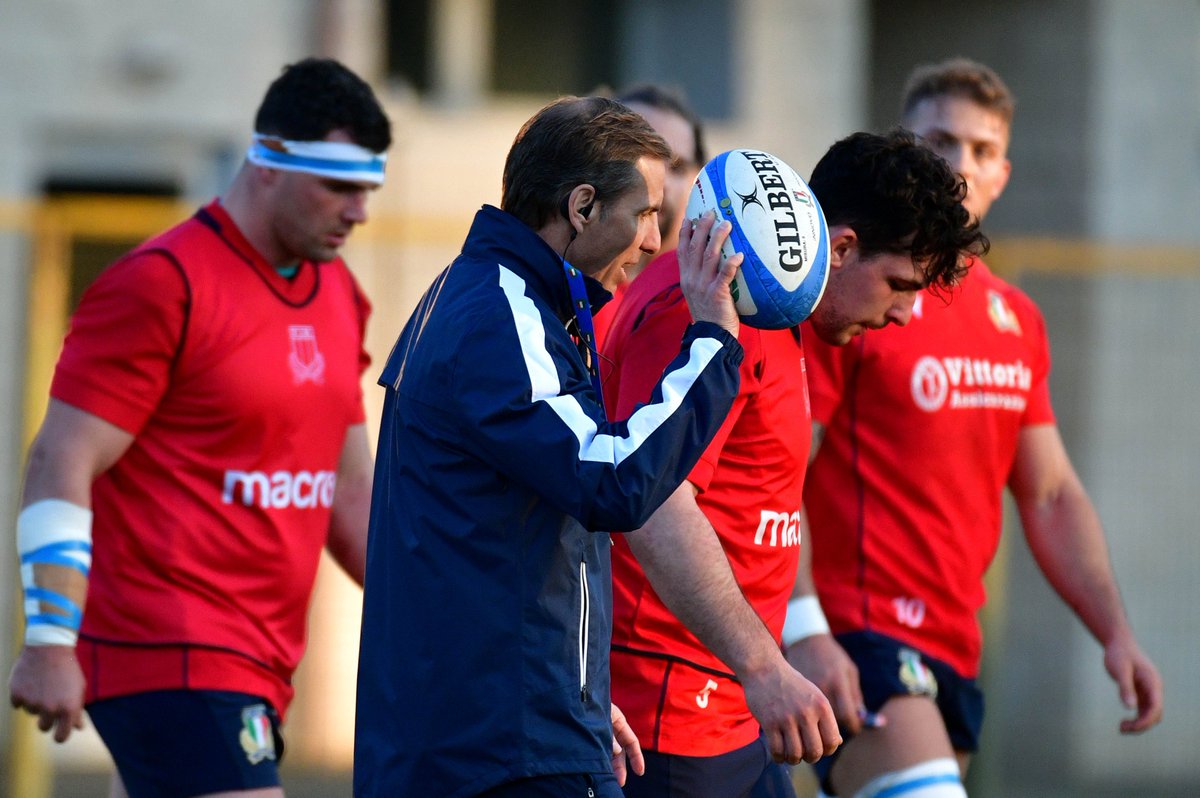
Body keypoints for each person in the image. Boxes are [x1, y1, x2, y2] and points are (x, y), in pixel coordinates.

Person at [8, 57, 391, 798]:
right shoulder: (162, 282)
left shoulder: (340, 292)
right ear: (269, 163)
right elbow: (60, 457)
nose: (359, 211)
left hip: (258, 660)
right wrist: (50, 640)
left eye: (367, 190)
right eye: (338, 186)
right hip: (164, 648)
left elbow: (350, 490)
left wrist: (451, 622)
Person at [785, 58, 1165, 798]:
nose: (960, 164)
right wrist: (804, 628)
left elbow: (1051, 494)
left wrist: (1115, 632)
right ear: (908, 152)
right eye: (940, 141)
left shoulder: (1014, 320)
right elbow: (784, 472)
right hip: (860, 633)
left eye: (982, 150)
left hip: (956, 647)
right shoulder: (850, 298)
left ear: (1004, 174)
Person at [353, 95, 746, 798]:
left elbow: (511, 538)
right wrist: (713, 341)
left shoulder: (502, 299)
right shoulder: (503, 313)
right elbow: (610, 481)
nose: (657, 239)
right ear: (583, 207)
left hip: (500, 733)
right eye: (647, 212)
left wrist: (583, 697)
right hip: (503, 754)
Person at [602, 129, 988, 798]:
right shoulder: (716, 302)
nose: (904, 314)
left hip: (734, 707)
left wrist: (781, 651)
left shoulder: (785, 315)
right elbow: (654, 505)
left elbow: (760, 502)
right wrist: (765, 667)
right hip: (666, 712)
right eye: (898, 285)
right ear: (839, 249)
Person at [592, 84, 708, 346]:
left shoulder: (716, 307)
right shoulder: (565, 298)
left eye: (677, 167)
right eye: (637, 159)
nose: (660, 181)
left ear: (698, 180)